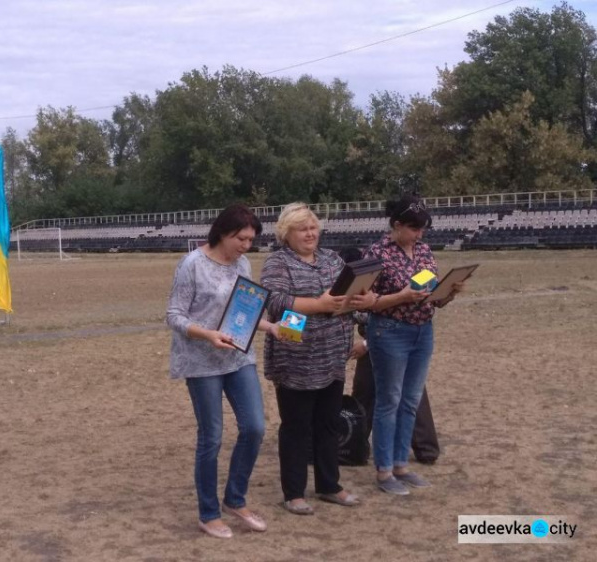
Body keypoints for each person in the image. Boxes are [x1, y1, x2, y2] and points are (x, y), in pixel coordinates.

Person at [166, 203, 281, 539]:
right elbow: (174, 316)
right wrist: (209, 335)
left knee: (255, 428)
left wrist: (270, 327)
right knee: (211, 437)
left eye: (251, 240)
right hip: (201, 363)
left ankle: (235, 498)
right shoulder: (192, 265)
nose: (247, 246)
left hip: (238, 359)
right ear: (222, 232)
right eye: (241, 238)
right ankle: (209, 512)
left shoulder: (243, 264)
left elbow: (245, 309)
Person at [260, 202, 376, 515]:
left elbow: (347, 292)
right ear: (287, 233)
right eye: (302, 228)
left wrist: (360, 299)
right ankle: (293, 492)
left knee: (328, 423)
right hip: (295, 357)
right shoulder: (277, 263)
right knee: (296, 427)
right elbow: (275, 301)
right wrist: (320, 303)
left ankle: (329, 485)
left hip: (332, 355)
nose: (310, 234)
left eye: (313, 228)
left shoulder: (332, 258)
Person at [363, 195, 464, 495]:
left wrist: (449, 292)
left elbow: (431, 294)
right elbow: (365, 301)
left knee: (410, 400)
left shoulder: (423, 250)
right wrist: (403, 297)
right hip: (389, 331)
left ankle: (400, 465)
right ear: (397, 225)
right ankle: (383, 471)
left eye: (422, 229)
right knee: (389, 401)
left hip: (423, 330)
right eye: (414, 229)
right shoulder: (376, 253)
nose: (419, 235)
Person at [339, 247, 440, 464]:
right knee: (367, 393)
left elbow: (381, 310)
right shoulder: (369, 273)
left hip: (388, 339)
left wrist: (366, 344)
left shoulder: (378, 276)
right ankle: (354, 445)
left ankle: (426, 448)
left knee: (408, 396)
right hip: (378, 340)